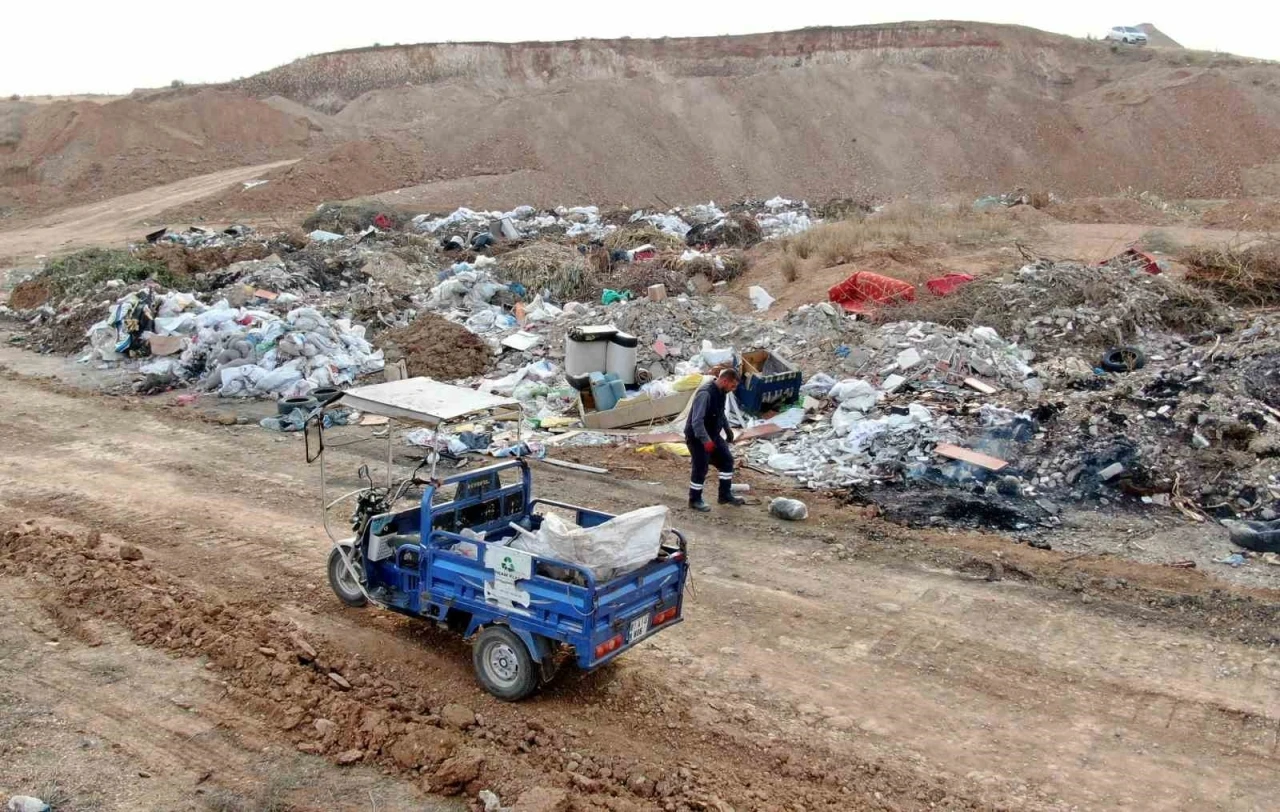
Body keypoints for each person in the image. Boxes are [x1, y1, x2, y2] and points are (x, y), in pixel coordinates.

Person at [684, 368, 746, 512]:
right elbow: (697, 422)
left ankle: (724, 495)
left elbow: (720, 414)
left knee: (727, 460)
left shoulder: (722, 392)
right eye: (732, 386)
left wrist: (728, 430)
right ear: (724, 381)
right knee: (701, 467)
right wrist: (706, 441)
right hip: (697, 436)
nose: (733, 389)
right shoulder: (705, 393)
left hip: (713, 435)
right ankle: (694, 500)